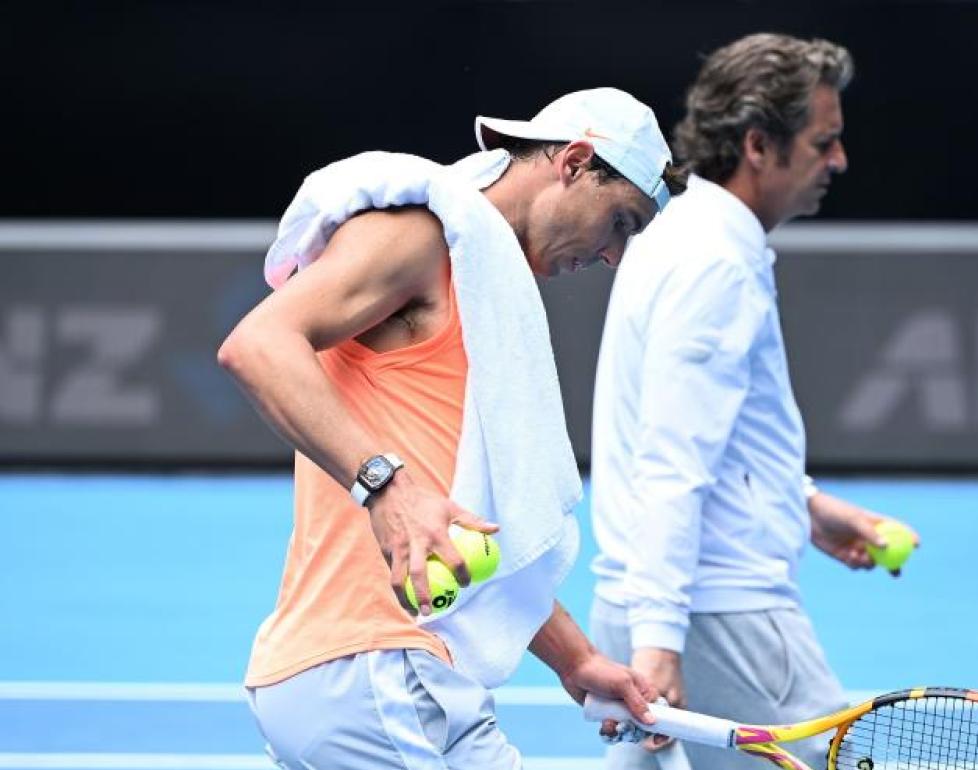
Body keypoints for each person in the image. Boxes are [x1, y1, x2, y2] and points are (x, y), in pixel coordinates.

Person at [217, 87, 687, 770]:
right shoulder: (418, 235)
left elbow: (473, 532)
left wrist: (577, 659)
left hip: (385, 675)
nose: (615, 256)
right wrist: (385, 488)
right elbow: (257, 344)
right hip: (376, 671)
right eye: (622, 222)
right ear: (577, 163)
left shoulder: (486, 290)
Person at [589, 34, 920, 770]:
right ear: (757, 145)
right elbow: (673, 457)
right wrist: (660, 640)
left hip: (647, 601)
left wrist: (800, 503)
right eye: (822, 142)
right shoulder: (715, 264)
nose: (838, 161)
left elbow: (699, 431)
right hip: (717, 618)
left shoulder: (677, 229)